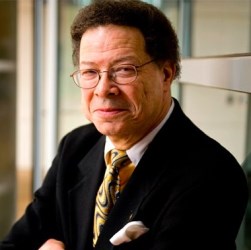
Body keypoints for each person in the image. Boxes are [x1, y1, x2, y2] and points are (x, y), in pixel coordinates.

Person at [0, 0, 248, 250]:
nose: (103, 89)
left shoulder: (212, 175)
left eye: (124, 70)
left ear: (166, 74)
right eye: (89, 72)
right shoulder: (76, 146)